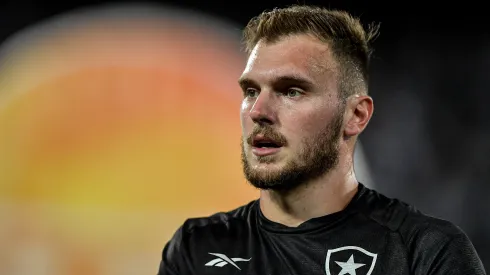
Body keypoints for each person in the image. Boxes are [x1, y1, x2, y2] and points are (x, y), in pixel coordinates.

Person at [157, 5, 486, 275]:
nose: (258, 111)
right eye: (251, 91)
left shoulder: (425, 253)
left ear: (356, 115)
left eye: (292, 91)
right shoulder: (197, 247)